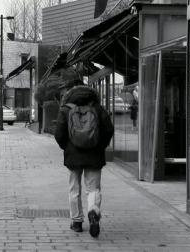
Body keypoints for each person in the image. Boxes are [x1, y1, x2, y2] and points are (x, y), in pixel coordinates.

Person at [54, 80, 114, 238]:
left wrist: (66, 147)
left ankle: (77, 222)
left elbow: (59, 134)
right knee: (93, 188)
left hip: (73, 156)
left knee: (74, 188)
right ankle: (93, 211)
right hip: (94, 155)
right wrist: (100, 146)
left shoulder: (66, 110)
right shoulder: (97, 108)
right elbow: (109, 129)